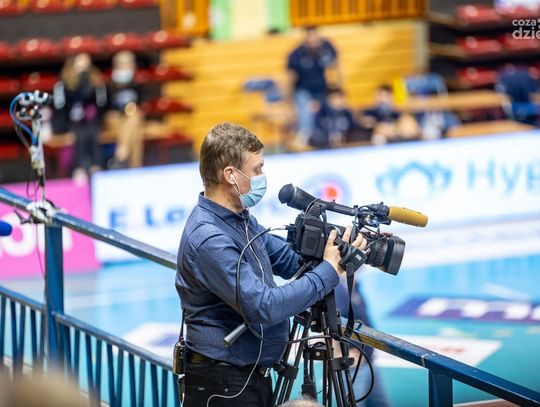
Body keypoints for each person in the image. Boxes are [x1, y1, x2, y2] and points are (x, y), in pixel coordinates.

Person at [175, 122, 367, 407]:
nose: (262, 177)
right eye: (257, 170)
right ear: (230, 175)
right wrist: (329, 270)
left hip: (246, 378)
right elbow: (264, 306)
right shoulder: (210, 237)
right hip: (224, 387)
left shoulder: (239, 219)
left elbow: (289, 261)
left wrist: (335, 247)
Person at [52, 53, 107, 183]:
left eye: (86, 67)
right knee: (78, 134)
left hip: (91, 124)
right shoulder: (62, 85)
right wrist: (61, 130)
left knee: (92, 132)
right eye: (80, 67)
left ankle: (96, 167)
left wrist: (91, 86)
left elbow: (101, 105)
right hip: (69, 124)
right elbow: (60, 109)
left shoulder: (96, 83)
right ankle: (79, 169)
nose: (83, 71)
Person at [287, 26, 341, 146]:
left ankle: (334, 135)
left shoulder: (326, 47)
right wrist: (290, 101)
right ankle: (304, 135)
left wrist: (339, 89)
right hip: (303, 90)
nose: (313, 40)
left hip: (322, 90)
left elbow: (335, 66)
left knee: (334, 105)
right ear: (305, 38)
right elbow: (290, 78)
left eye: (315, 36)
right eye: (310, 37)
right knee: (307, 109)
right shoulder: (297, 54)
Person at [105, 50, 145, 169]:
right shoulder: (109, 85)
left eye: (128, 63)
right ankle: (136, 168)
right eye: (122, 64)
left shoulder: (137, 84)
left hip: (131, 119)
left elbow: (141, 106)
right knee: (135, 130)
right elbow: (106, 109)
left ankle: (122, 150)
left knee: (134, 120)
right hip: (115, 119)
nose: (125, 67)